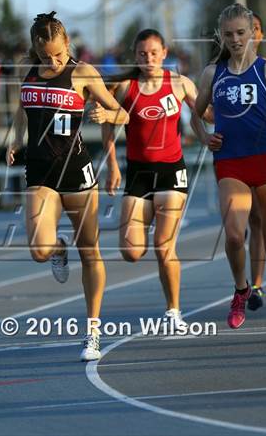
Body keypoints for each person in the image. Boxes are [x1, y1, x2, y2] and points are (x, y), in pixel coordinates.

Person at [6, 11, 129, 361]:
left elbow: (123, 113)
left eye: (59, 54)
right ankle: (58, 247)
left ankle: (92, 331)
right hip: (40, 170)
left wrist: (106, 116)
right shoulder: (27, 73)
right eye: (46, 57)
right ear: (35, 50)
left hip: (75, 170)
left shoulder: (83, 73)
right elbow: (21, 109)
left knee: (90, 250)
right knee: (39, 249)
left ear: (67, 43)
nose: (54, 61)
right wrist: (16, 140)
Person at [194, 3, 266, 341]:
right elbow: (196, 113)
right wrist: (205, 138)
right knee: (235, 236)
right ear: (221, 37)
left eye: (241, 33)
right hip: (231, 162)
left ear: (253, 33)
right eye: (229, 35)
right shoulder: (213, 73)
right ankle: (241, 288)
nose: (236, 39)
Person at [101, 29, 208, 331]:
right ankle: (148, 225)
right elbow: (108, 127)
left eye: (153, 53)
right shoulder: (124, 88)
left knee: (164, 247)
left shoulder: (179, 83)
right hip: (137, 173)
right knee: (131, 252)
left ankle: (173, 311)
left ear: (164, 53)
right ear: (134, 56)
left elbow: (202, 113)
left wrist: (206, 137)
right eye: (142, 54)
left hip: (171, 172)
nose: (148, 58)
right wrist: (112, 166)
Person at [246, 13, 266, 311]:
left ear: (261, 34)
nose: (250, 34)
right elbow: (209, 112)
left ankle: (257, 283)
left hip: (263, 150)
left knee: (262, 220)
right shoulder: (221, 70)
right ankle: (251, 283)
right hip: (233, 155)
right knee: (248, 220)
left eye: (255, 29)